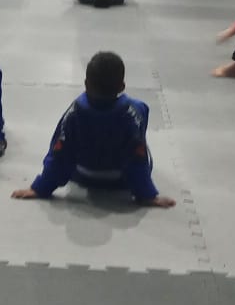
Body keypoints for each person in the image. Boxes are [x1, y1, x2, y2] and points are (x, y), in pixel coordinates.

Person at [12, 52, 176, 207]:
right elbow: (136, 161)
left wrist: (40, 188)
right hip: (120, 180)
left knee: (63, 142)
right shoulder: (131, 115)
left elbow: (59, 155)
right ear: (122, 87)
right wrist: (147, 195)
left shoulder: (74, 113)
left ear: (86, 84)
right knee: (140, 111)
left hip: (83, 176)